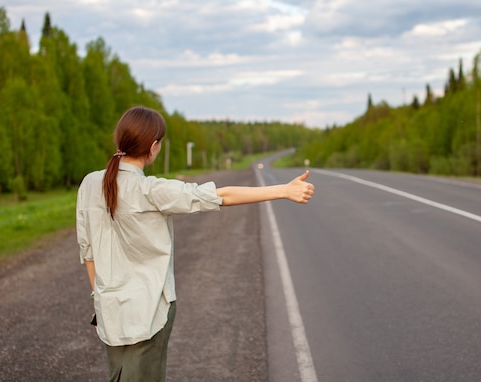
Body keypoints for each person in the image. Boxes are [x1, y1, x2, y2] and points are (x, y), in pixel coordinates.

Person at [76, 105, 315, 382]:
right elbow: (220, 195)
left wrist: (100, 302)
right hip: (150, 312)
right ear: (153, 147)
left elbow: (88, 251)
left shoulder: (90, 184)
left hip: (109, 309)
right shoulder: (152, 189)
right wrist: (284, 190)